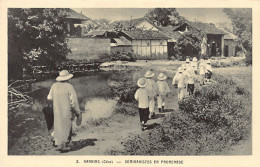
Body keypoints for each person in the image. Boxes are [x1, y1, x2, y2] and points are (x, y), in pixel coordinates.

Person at [47, 70, 81, 151]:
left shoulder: (54, 85)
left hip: (57, 109)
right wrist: (77, 112)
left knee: (58, 125)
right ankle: (64, 145)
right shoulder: (69, 86)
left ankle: (57, 142)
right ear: (68, 78)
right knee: (67, 126)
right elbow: (74, 102)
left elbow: (49, 98)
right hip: (66, 110)